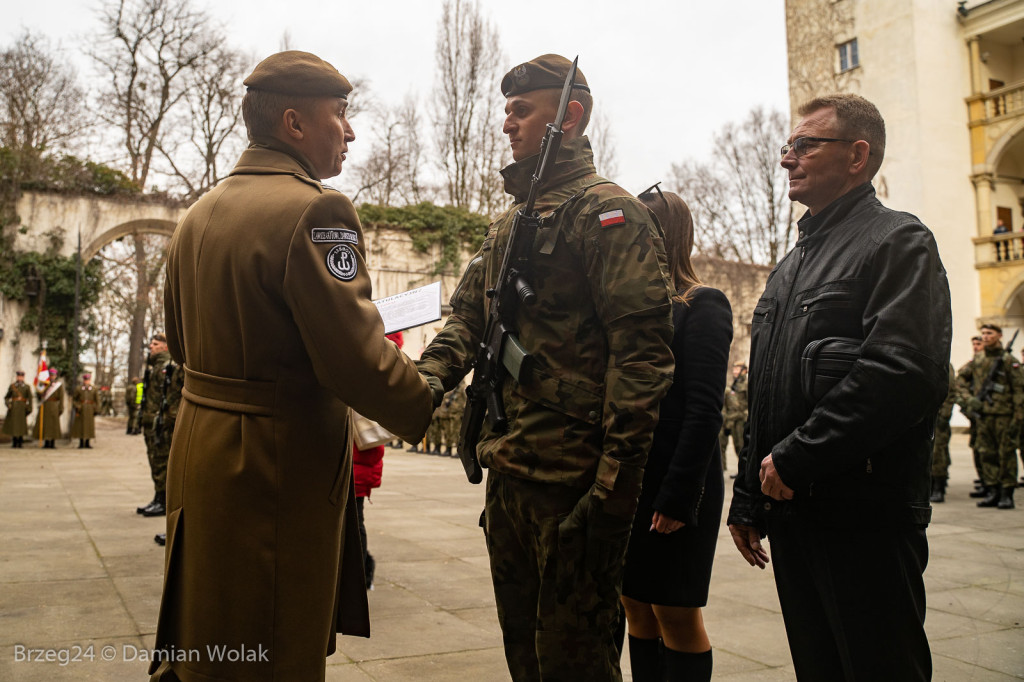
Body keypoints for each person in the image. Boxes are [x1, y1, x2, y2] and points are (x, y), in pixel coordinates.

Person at [149, 51, 439, 682]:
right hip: (272, 464)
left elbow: (180, 338)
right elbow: (355, 359)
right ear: (295, 124)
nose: (351, 131)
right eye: (341, 115)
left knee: (213, 635)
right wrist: (428, 397)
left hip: (201, 450)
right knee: (275, 641)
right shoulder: (316, 212)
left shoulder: (199, 213)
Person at [417, 54, 674, 681]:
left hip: (574, 481)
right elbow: (466, 323)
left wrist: (614, 486)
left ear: (571, 115)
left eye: (522, 110)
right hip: (510, 472)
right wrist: (415, 386)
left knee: (576, 664)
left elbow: (642, 355)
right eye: (506, 110)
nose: (508, 123)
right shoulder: (510, 223)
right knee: (525, 659)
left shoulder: (607, 214)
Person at [727, 94, 951, 681]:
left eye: (804, 145)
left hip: (864, 519)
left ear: (857, 155)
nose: (787, 159)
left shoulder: (897, 242)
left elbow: (901, 373)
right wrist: (749, 494)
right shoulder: (789, 267)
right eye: (788, 146)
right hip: (795, 513)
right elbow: (768, 391)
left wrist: (798, 458)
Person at [620, 187, 732, 681]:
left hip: (675, 483)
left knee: (675, 612)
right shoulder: (631, 308)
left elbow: (706, 410)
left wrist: (678, 496)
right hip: (630, 481)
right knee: (635, 607)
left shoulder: (702, 304)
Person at [957, 323, 1023, 509]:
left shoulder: (1009, 360)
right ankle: (992, 490)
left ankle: (1006, 493)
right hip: (983, 415)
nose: (985, 336)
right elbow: (959, 380)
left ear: (999, 335)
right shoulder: (978, 360)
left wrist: (1018, 417)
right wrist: (969, 400)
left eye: (990, 333)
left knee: (1006, 454)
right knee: (986, 453)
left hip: (1004, 415)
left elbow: (1019, 390)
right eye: (983, 333)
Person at [136, 334, 177, 518]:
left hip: (162, 424)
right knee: (154, 461)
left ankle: (164, 500)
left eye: (155, 344)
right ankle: (158, 497)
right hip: (151, 422)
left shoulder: (170, 367)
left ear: (166, 347)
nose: (151, 347)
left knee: (162, 462)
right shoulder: (154, 368)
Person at [353, 442, 384, 590]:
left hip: (353, 472)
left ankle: (359, 571)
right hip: (361, 474)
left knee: (356, 523)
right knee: (357, 522)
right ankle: (362, 571)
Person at [930, 364, 957, 503]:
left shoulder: (944, 364)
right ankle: (932, 484)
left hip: (939, 417)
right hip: (927, 416)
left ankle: (939, 487)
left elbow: (951, 391)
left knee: (938, 452)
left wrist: (945, 416)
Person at [719, 362, 747, 476]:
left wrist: (746, 415)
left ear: (744, 370)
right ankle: (741, 470)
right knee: (736, 444)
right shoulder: (735, 384)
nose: (735, 371)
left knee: (741, 445)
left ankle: (744, 471)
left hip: (742, 418)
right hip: (735, 418)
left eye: (737, 369)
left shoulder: (746, 383)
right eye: (734, 368)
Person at [34, 368, 64, 449]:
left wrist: (61, 408)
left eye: (53, 375)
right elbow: (39, 394)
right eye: (50, 375)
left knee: (53, 425)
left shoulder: (58, 385)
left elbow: (61, 397)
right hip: (45, 405)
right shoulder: (44, 384)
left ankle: (52, 442)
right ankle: (46, 442)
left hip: (54, 406)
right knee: (45, 424)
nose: (52, 377)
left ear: (56, 376)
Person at [3, 370, 33, 448]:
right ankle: (14, 442)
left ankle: (20, 441)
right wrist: (8, 405)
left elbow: (30, 398)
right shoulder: (12, 386)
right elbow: (6, 397)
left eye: (21, 377)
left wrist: (29, 408)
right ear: (17, 377)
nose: (20, 378)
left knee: (21, 425)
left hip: (22, 408)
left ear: (23, 377)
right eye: (18, 376)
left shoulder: (27, 387)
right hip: (14, 408)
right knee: (14, 425)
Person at [71, 372, 98, 449]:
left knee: (89, 426)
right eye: (85, 380)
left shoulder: (93, 389)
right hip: (81, 409)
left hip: (90, 409)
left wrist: (96, 409)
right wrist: (77, 406)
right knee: (81, 426)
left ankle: (87, 442)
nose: (87, 381)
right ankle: (81, 442)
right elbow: (74, 399)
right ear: (83, 380)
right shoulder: (79, 389)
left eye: (88, 380)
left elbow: (97, 400)